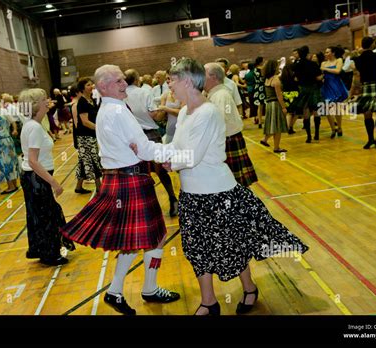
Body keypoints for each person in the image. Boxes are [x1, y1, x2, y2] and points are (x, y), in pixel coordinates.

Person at [130, 58, 309, 315]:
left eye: (172, 80)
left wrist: (171, 161)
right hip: (191, 195)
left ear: (188, 81)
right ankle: (209, 302)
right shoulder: (183, 112)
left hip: (218, 193)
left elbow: (192, 155)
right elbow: (176, 148)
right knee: (197, 249)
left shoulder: (208, 112)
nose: (169, 85)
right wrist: (148, 149)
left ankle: (249, 288)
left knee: (231, 246)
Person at [60, 65, 180, 315]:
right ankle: (142, 288)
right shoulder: (117, 112)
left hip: (121, 178)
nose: (124, 84)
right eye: (117, 81)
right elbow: (144, 149)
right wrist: (177, 153)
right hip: (130, 179)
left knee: (134, 240)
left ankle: (124, 291)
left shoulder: (106, 109)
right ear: (103, 86)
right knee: (151, 238)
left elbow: (138, 147)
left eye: (123, 80)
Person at [19, 88, 74, 266]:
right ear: (37, 104)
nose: (48, 101)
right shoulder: (34, 127)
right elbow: (33, 161)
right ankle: (50, 254)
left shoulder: (33, 124)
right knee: (48, 214)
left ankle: (42, 250)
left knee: (40, 214)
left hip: (33, 177)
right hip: (36, 177)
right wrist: (54, 183)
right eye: (45, 99)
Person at [124, 68, 179, 216]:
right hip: (150, 134)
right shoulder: (144, 92)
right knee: (161, 169)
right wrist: (164, 111)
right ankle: (173, 199)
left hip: (132, 137)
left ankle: (146, 207)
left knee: (140, 172)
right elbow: (155, 116)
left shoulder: (122, 95)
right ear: (137, 80)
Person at [204, 62, 258, 186]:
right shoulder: (215, 94)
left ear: (213, 77)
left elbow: (219, 122)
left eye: (203, 74)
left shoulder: (221, 95)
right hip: (226, 139)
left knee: (234, 183)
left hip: (228, 140)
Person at [351, 36, 376, 149]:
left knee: (367, 113)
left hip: (366, 87)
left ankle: (370, 138)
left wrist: (354, 91)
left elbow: (356, 77)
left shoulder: (357, 59)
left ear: (362, 45)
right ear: (372, 44)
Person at [76, 77, 103, 192]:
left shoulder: (91, 99)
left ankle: (78, 187)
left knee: (84, 160)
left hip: (91, 134)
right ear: (82, 88)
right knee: (93, 159)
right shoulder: (82, 102)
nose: (91, 86)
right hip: (85, 136)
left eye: (91, 84)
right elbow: (85, 122)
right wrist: (100, 129)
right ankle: (99, 187)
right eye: (88, 85)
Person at [293, 45, 323, 143]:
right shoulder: (313, 64)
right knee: (316, 111)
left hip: (303, 89)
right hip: (313, 89)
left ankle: (309, 137)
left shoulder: (296, 65)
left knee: (306, 113)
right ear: (308, 53)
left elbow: (296, 79)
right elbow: (319, 78)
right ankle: (317, 134)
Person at [260, 60, 289, 153]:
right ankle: (276, 147)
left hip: (269, 104)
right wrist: (284, 107)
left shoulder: (267, 79)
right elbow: (279, 95)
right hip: (275, 104)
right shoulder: (275, 79)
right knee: (278, 127)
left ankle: (265, 139)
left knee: (272, 124)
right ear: (274, 68)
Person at [321, 46, 349, 138]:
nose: (326, 54)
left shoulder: (339, 60)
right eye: (325, 52)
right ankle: (333, 129)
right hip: (327, 86)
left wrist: (326, 69)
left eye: (327, 52)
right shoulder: (323, 63)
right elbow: (321, 74)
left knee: (337, 108)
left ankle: (340, 127)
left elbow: (338, 71)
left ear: (333, 53)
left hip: (336, 85)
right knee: (327, 109)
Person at [158, 73, 183, 144]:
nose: (167, 81)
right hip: (170, 129)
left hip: (181, 129)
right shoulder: (165, 95)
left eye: (169, 79)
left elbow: (182, 112)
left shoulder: (183, 93)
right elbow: (159, 117)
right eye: (166, 79)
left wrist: (165, 109)